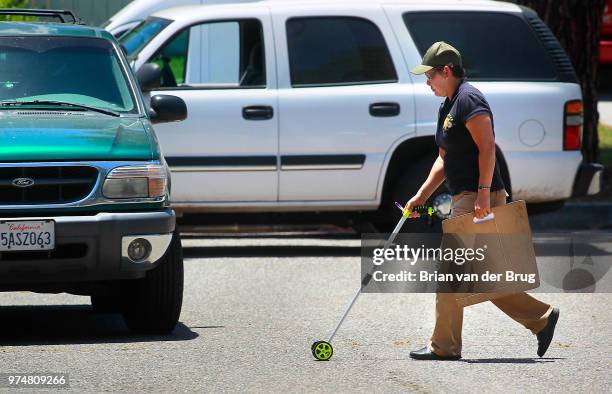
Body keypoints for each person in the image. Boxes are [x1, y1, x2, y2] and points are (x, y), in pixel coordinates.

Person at [404, 41, 559, 360]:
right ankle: (541, 319)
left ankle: (444, 346)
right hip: (467, 196)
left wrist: (484, 195)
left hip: (478, 197)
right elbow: (444, 158)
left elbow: (487, 147)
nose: (426, 82)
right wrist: (421, 195)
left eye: (430, 76)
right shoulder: (447, 106)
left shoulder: (468, 99)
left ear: (446, 71)